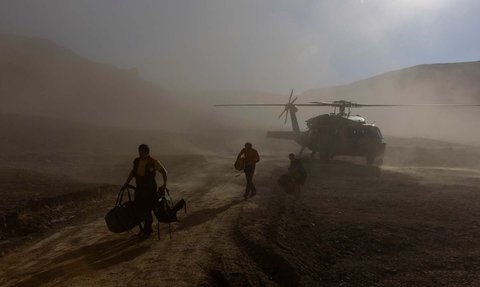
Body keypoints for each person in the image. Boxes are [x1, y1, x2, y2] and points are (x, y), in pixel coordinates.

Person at [123, 144, 167, 239]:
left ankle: (147, 231)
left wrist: (164, 185)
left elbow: (164, 172)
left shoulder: (153, 162)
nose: (141, 153)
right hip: (139, 189)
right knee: (139, 209)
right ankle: (144, 230)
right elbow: (133, 173)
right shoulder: (137, 161)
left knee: (147, 210)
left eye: (143, 151)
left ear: (147, 152)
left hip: (150, 190)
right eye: (140, 151)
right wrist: (126, 183)